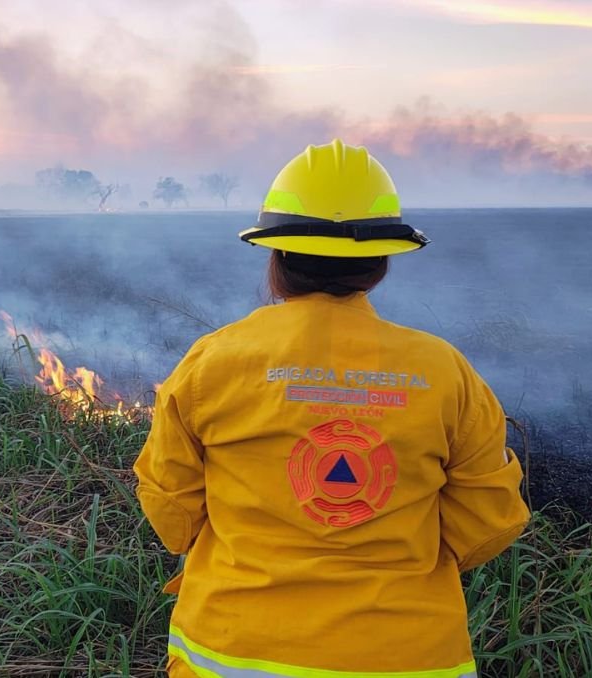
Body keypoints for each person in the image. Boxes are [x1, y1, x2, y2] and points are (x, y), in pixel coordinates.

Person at [133, 140, 531, 678]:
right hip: (406, 657)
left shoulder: (214, 362)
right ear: (381, 265)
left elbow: (173, 513)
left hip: (230, 652)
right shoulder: (444, 371)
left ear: (276, 259)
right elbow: (489, 522)